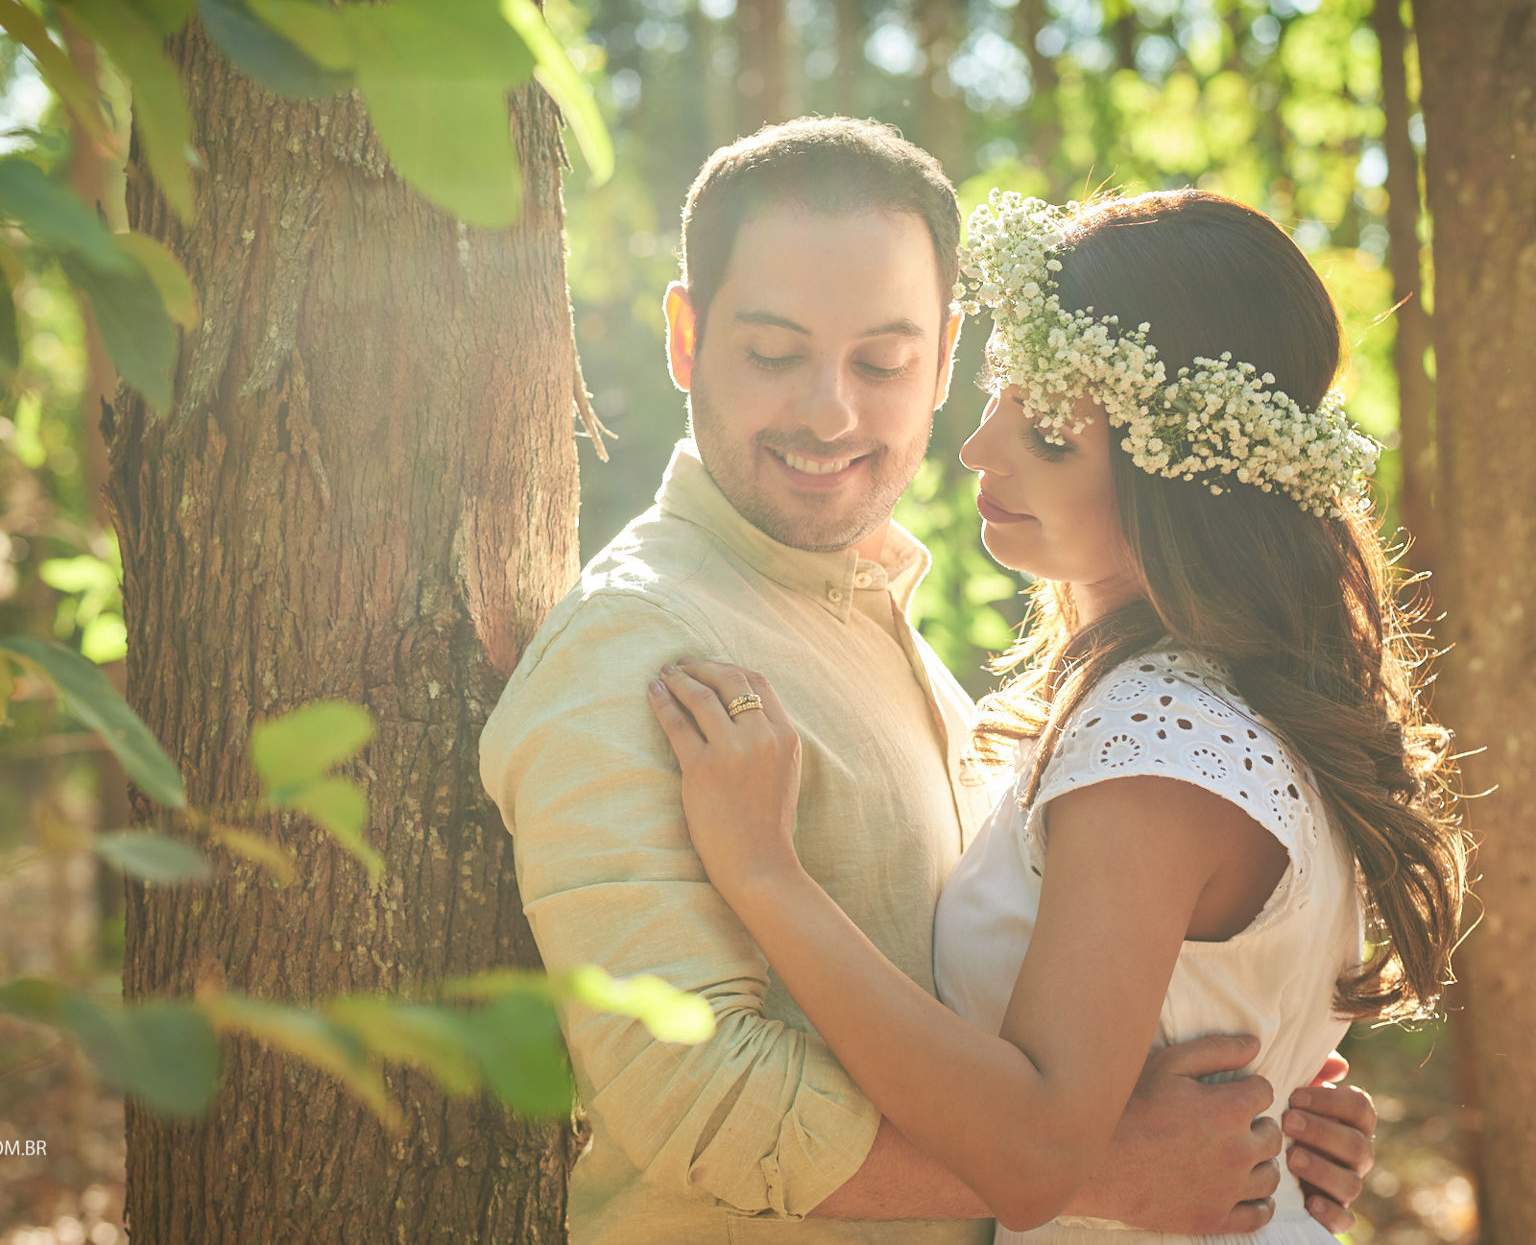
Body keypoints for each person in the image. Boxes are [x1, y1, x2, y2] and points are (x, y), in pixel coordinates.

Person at [480, 117, 1378, 1245]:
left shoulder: (936, 665)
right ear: (687, 335)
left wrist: (1265, 1136)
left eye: (883, 362)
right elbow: (697, 1099)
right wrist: (1112, 1172)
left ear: (948, 356)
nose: (830, 413)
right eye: (772, 353)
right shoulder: (639, 648)